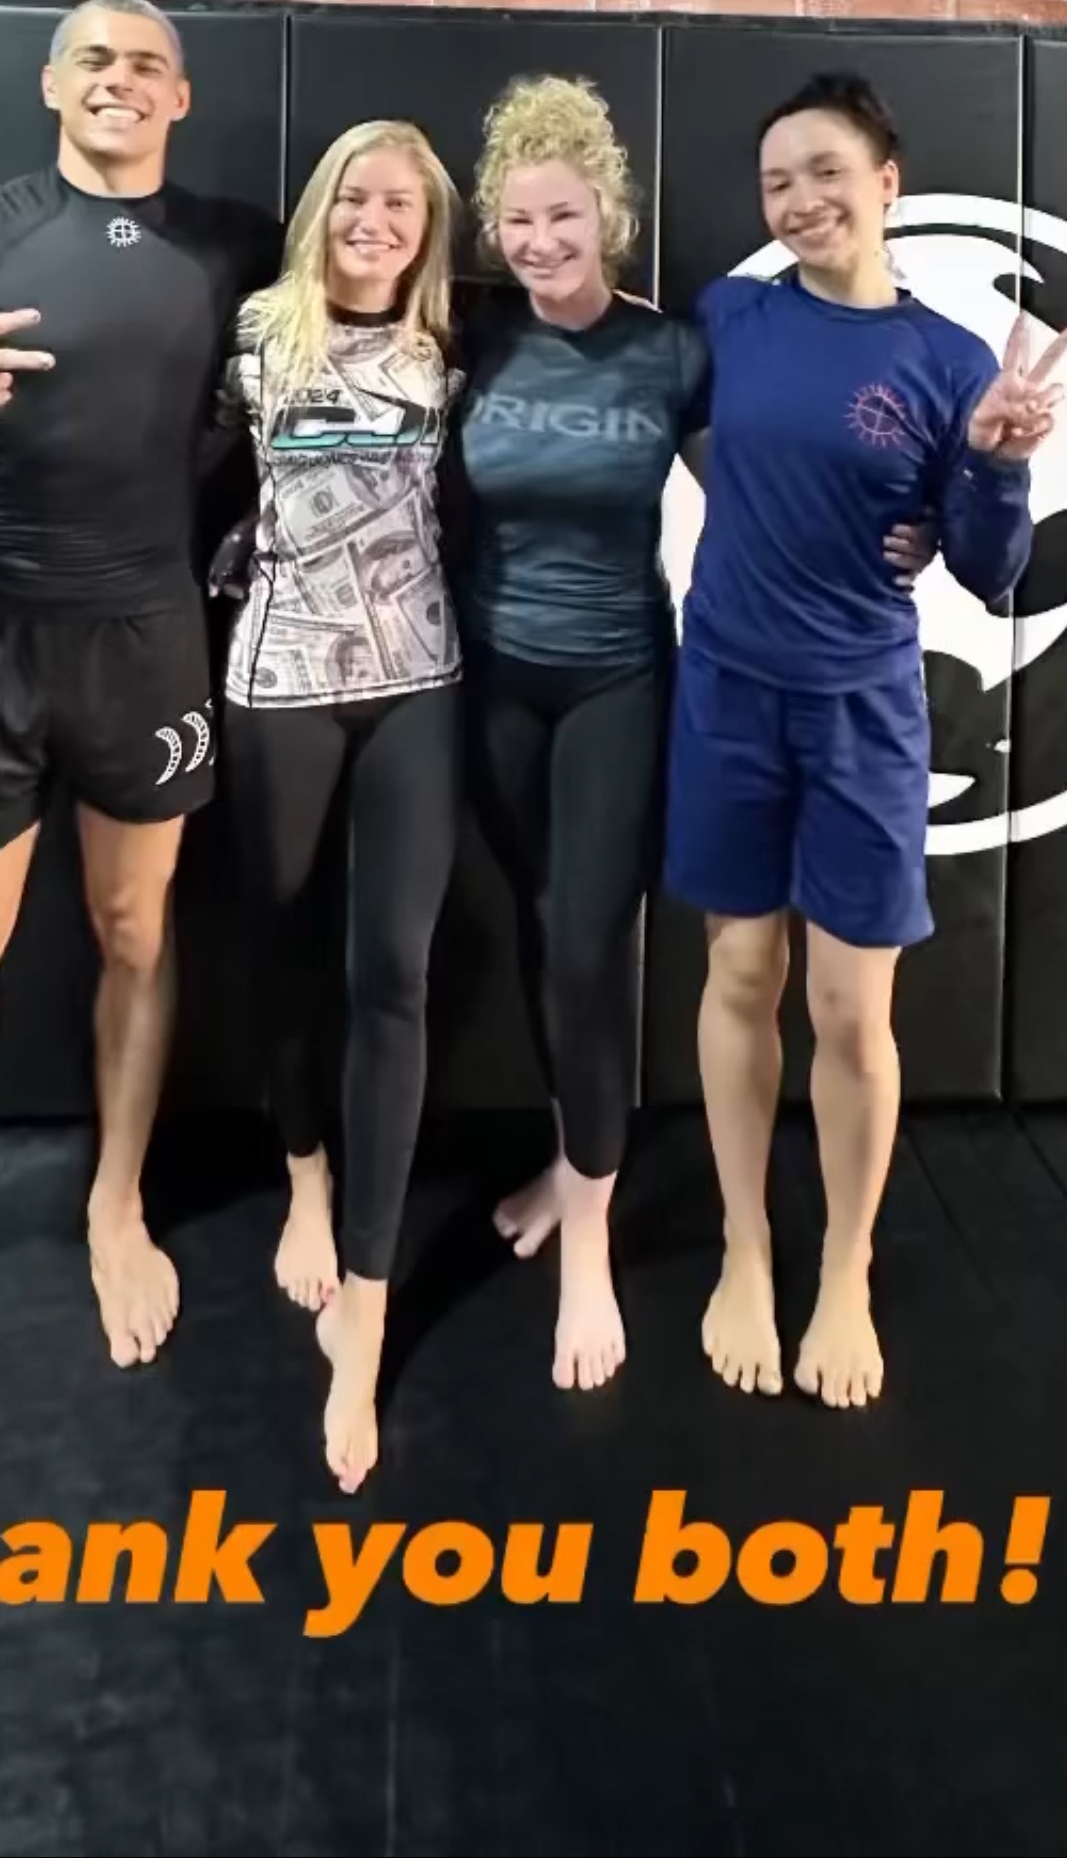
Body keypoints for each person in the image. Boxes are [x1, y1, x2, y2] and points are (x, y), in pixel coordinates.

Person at [0, 0, 276, 1410]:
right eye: (94, 59)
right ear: (50, 84)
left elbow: (381, 301)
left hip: (147, 640)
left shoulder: (238, 246)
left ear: (181, 98)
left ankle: (116, 1206)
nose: (118, 80)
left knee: (137, 932)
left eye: (146, 63)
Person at [666, 71, 1067, 1412]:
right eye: (777, 182)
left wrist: (997, 463)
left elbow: (993, 571)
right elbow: (695, 444)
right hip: (727, 693)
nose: (800, 201)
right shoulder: (733, 317)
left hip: (862, 712)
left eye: (826, 172)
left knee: (851, 1013)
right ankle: (746, 1246)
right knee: (740, 973)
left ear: (886, 183)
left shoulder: (951, 363)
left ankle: (844, 1269)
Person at [445, 75, 707, 1396]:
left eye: (564, 215)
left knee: (591, 947)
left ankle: (590, 1241)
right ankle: (570, 1159)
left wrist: (923, 517)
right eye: (519, 220)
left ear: (609, 213)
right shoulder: (473, 337)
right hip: (491, 679)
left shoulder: (672, 352)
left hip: (617, 683)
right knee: (543, 930)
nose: (542, 241)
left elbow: (773, 485)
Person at [215, 120, 462, 1493]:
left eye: (402, 205)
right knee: (280, 947)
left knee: (395, 979)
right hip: (279, 684)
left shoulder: (453, 342)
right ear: (322, 207)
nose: (377, 220)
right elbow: (168, 471)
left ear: (429, 228)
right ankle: (305, 1175)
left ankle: (366, 1303)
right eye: (357, 197)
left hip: (419, 683)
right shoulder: (256, 335)